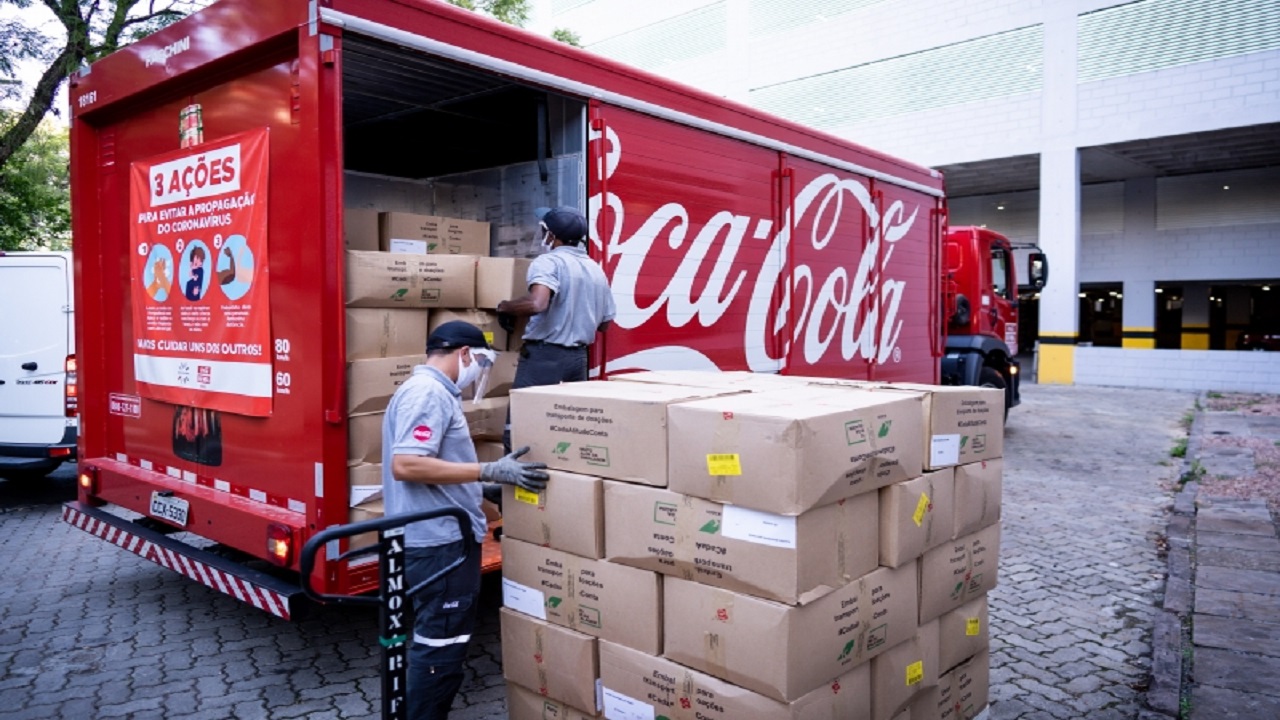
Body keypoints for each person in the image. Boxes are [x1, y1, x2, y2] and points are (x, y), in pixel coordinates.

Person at [381, 320, 549, 720]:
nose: (479, 373)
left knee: (435, 639)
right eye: (481, 363)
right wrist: (487, 472)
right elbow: (407, 464)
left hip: (435, 534)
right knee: (440, 644)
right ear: (464, 354)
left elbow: (435, 464)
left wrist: (477, 489)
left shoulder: (425, 390)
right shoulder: (428, 394)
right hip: (438, 543)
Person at [496, 206, 616, 451]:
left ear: (552, 236)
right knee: (567, 429)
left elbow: (537, 303)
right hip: (578, 359)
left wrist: (505, 307)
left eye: (544, 232)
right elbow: (605, 323)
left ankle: (510, 486)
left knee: (523, 427)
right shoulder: (596, 270)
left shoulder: (548, 262)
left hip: (544, 358)